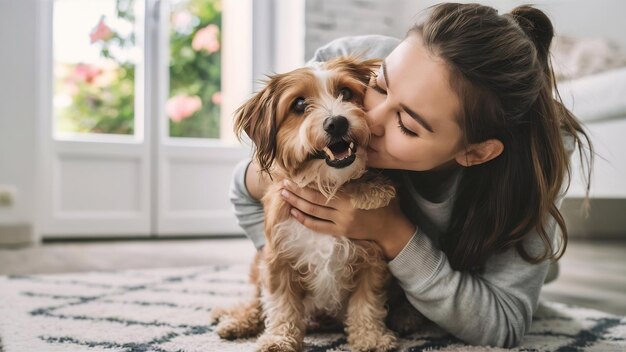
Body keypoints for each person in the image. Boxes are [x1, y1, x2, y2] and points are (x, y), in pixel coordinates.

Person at [230, 2, 593, 348]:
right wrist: (307, 275)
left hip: (473, 267)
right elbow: (247, 187)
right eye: (379, 87)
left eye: (406, 123)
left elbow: (503, 323)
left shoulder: (533, 164)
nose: (368, 121)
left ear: (475, 151)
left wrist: (391, 232)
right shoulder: (355, 59)